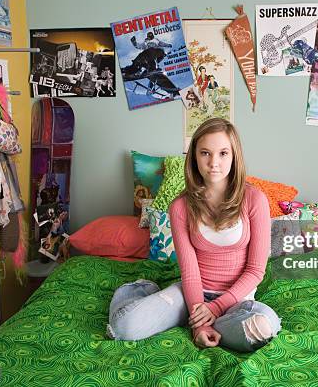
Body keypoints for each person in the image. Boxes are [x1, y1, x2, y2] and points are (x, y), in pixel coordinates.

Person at [107, 118, 281, 352]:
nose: (214, 163)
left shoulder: (254, 200)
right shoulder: (180, 206)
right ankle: (138, 290)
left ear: (234, 156)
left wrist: (215, 309)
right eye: (205, 153)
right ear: (194, 157)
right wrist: (199, 324)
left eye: (223, 153)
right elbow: (189, 271)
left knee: (262, 326)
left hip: (235, 301)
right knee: (124, 327)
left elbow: (255, 270)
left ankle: (211, 323)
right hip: (192, 295)